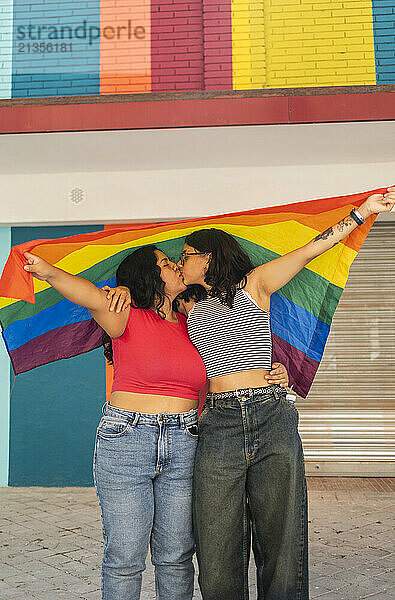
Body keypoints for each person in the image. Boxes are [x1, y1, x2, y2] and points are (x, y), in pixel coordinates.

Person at [106, 189, 395, 600]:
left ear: (207, 257)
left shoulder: (255, 285)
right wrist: (120, 293)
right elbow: (146, 320)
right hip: (218, 423)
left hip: (270, 414)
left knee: (281, 535)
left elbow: (312, 249)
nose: (180, 261)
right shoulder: (186, 307)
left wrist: (363, 213)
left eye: (186, 254)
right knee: (216, 541)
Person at [22, 244, 290, 600]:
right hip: (128, 438)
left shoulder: (193, 322)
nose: (177, 266)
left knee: (177, 555)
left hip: (185, 440)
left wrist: (274, 372)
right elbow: (88, 295)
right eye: (166, 263)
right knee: (125, 556)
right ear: (151, 277)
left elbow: (233, 361)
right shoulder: (124, 313)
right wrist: (48, 272)